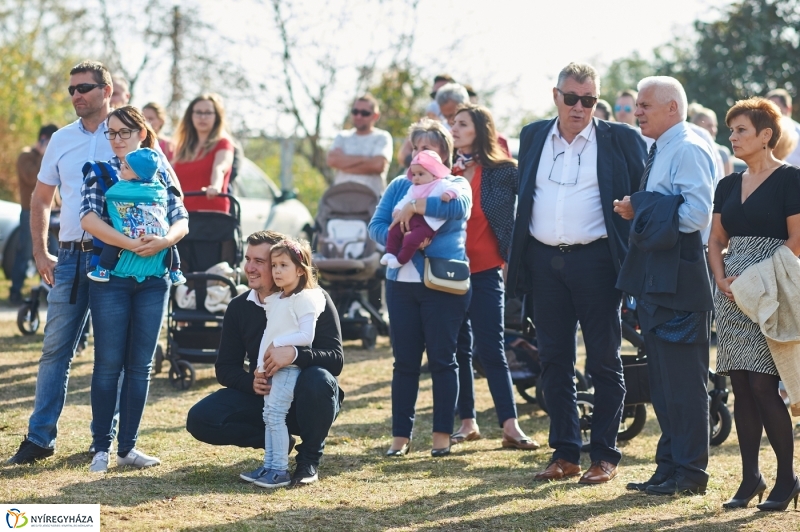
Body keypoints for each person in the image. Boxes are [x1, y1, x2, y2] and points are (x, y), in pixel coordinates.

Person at [5, 61, 175, 466]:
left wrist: (164, 241)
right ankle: (40, 438)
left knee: (113, 356)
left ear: (107, 90)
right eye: (71, 90)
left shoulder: (136, 140)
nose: (76, 95)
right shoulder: (62, 140)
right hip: (70, 257)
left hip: (120, 262)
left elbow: (171, 197)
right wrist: (39, 250)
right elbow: (41, 198)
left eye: (84, 88)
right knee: (55, 350)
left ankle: (107, 442)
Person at [506, 62, 646, 484]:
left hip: (598, 262)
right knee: (553, 361)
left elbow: (644, 195)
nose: (580, 107)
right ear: (556, 96)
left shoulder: (619, 138)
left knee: (604, 360)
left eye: (589, 100)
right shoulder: (532, 135)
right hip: (544, 263)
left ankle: (604, 456)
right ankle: (565, 453)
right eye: (572, 98)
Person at [614, 75, 715, 496]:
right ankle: (668, 467)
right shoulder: (663, 146)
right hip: (659, 277)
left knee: (683, 382)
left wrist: (640, 206)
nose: (636, 112)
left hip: (682, 279)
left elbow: (695, 215)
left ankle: (691, 473)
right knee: (662, 380)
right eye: (636, 105)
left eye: (644, 105)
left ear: (672, 107)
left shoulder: (688, 147)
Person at [186, 230, 344, 487]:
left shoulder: (314, 299)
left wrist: (294, 354)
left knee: (319, 379)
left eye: (260, 262)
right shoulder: (239, 306)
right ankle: (279, 446)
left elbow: (335, 360)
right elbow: (225, 368)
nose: (249, 267)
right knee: (201, 418)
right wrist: (251, 383)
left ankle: (309, 459)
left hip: (308, 399)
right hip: (267, 395)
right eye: (248, 259)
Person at [79, 105, 188, 473]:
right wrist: (127, 243)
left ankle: (128, 447)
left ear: (142, 132)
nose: (117, 139)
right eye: (111, 133)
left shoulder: (160, 169)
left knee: (140, 366)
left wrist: (162, 242)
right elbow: (88, 218)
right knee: (108, 364)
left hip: (154, 278)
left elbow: (181, 218)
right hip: (111, 280)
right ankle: (100, 447)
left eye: (124, 131)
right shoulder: (100, 170)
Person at [708, 97, 800, 510]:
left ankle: (787, 479)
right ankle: (750, 479)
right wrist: (721, 278)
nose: (733, 137)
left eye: (741, 129)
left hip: (769, 292)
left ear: (766, 136)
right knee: (739, 386)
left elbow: (796, 241)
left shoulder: (791, 179)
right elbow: (715, 240)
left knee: (764, 385)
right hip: (729, 296)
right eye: (731, 130)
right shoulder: (726, 184)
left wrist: (754, 280)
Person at [369, 119, 472, 458]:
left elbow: (458, 209)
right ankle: (401, 437)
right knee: (405, 363)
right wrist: (400, 242)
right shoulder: (399, 184)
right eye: (417, 148)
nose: (421, 155)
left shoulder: (456, 184)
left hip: (442, 285)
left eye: (431, 149)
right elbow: (377, 226)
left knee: (443, 360)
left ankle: (442, 435)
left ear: (445, 154)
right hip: (402, 285)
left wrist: (416, 208)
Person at [447, 104, 538, 452]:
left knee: (491, 349)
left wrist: (518, 254)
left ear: (479, 131)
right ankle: (467, 422)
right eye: (453, 124)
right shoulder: (444, 170)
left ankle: (510, 427)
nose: (454, 129)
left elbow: (533, 199)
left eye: (462, 124)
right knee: (458, 348)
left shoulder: (502, 171)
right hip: (449, 274)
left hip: (486, 272)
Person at [240, 239, 327, 488]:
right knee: (268, 415)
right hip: (271, 368)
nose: (277, 271)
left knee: (276, 414)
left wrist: (279, 345)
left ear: (300, 269)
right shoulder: (277, 299)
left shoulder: (307, 299)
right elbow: (268, 335)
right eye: (274, 265)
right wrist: (259, 365)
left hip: (288, 368)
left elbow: (306, 337)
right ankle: (269, 465)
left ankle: (279, 470)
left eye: (283, 265)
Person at [85, 147, 186, 286]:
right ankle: (175, 271)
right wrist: (165, 241)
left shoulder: (121, 187)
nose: (121, 167)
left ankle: (103, 270)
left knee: (113, 241)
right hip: (156, 233)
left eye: (126, 167)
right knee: (170, 246)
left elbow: (110, 194)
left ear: (138, 175)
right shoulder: (159, 186)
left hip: (130, 230)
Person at [380, 150, 460, 267]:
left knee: (412, 239)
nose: (416, 178)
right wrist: (398, 209)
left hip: (427, 224)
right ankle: (390, 253)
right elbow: (406, 199)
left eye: (420, 174)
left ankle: (400, 260)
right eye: (414, 174)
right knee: (394, 229)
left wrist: (448, 194)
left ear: (434, 174)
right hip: (412, 220)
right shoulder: (413, 188)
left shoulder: (441, 184)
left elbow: (456, 188)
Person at [9, 124, 59, 304]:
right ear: (43, 139)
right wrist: (44, 155)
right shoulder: (26, 156)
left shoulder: (55, 157)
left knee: (52, 252)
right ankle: (15, 292)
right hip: (30, 212)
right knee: (24, 253)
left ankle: (47, 291)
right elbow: (33, 177)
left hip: (52, 214)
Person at [172, 93, 235, 213]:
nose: (203, 117)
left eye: (208, 113)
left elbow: (220, 168)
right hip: (182, 215)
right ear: (191, 116)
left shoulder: (223, 143)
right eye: (198, 112)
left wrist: (215, 186)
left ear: (217, 116)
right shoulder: (183, 147)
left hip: (211, 215)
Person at [326, 93, 393, 196]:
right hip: (340, 201)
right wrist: (365, 159)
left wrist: (344, 164)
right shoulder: (342, 136)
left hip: (371, 202)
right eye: (355, 111)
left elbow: (378, 165)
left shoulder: (383, 137)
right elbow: (332, 160)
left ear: (375, 116)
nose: (358, 116)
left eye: (364, 113)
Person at [689, 104, 733, 175]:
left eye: (715, 126)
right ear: (696, 128)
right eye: (709, 126)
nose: (713, 130)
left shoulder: (722, 153)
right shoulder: (686, 151)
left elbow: (728, 184)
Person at [766, 88, 800, 167]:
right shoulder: (762, 134)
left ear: (788, 109)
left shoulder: (798, 132)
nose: (770, 113)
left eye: (775, 109)